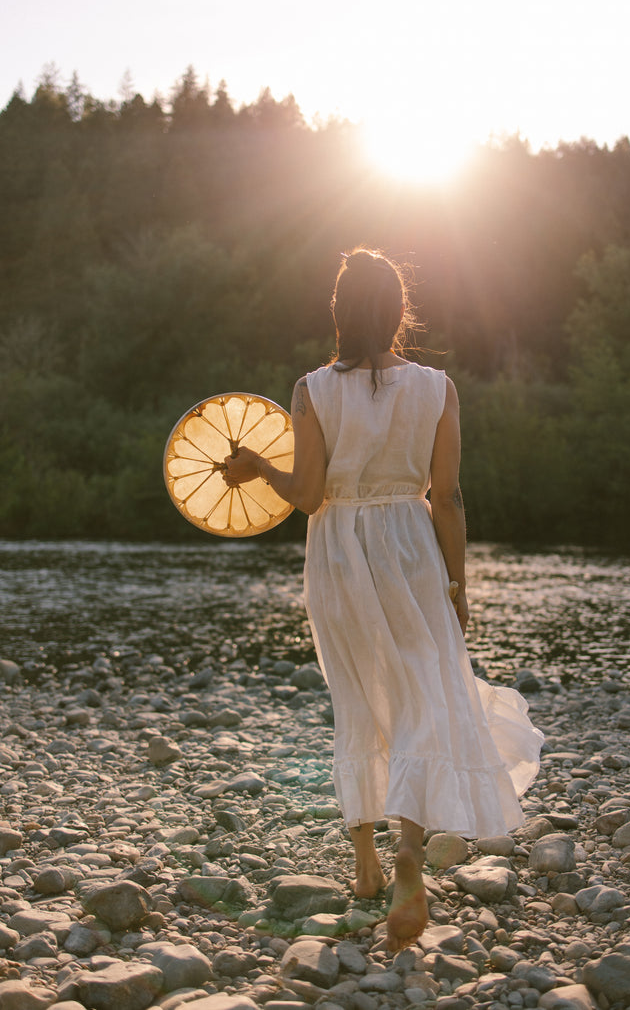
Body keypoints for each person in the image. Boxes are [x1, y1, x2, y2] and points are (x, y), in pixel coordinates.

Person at [223, 247, 543, 951]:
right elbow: (448, 495)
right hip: (412, 546)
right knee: (424, 693)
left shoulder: (311, 388)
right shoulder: (438, 387)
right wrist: (456, 585)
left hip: (339, 550)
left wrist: (256, 466)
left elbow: (309, 496)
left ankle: (364, 863)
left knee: (359, 696)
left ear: (339, 313)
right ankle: (407, 849)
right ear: (398, 311)